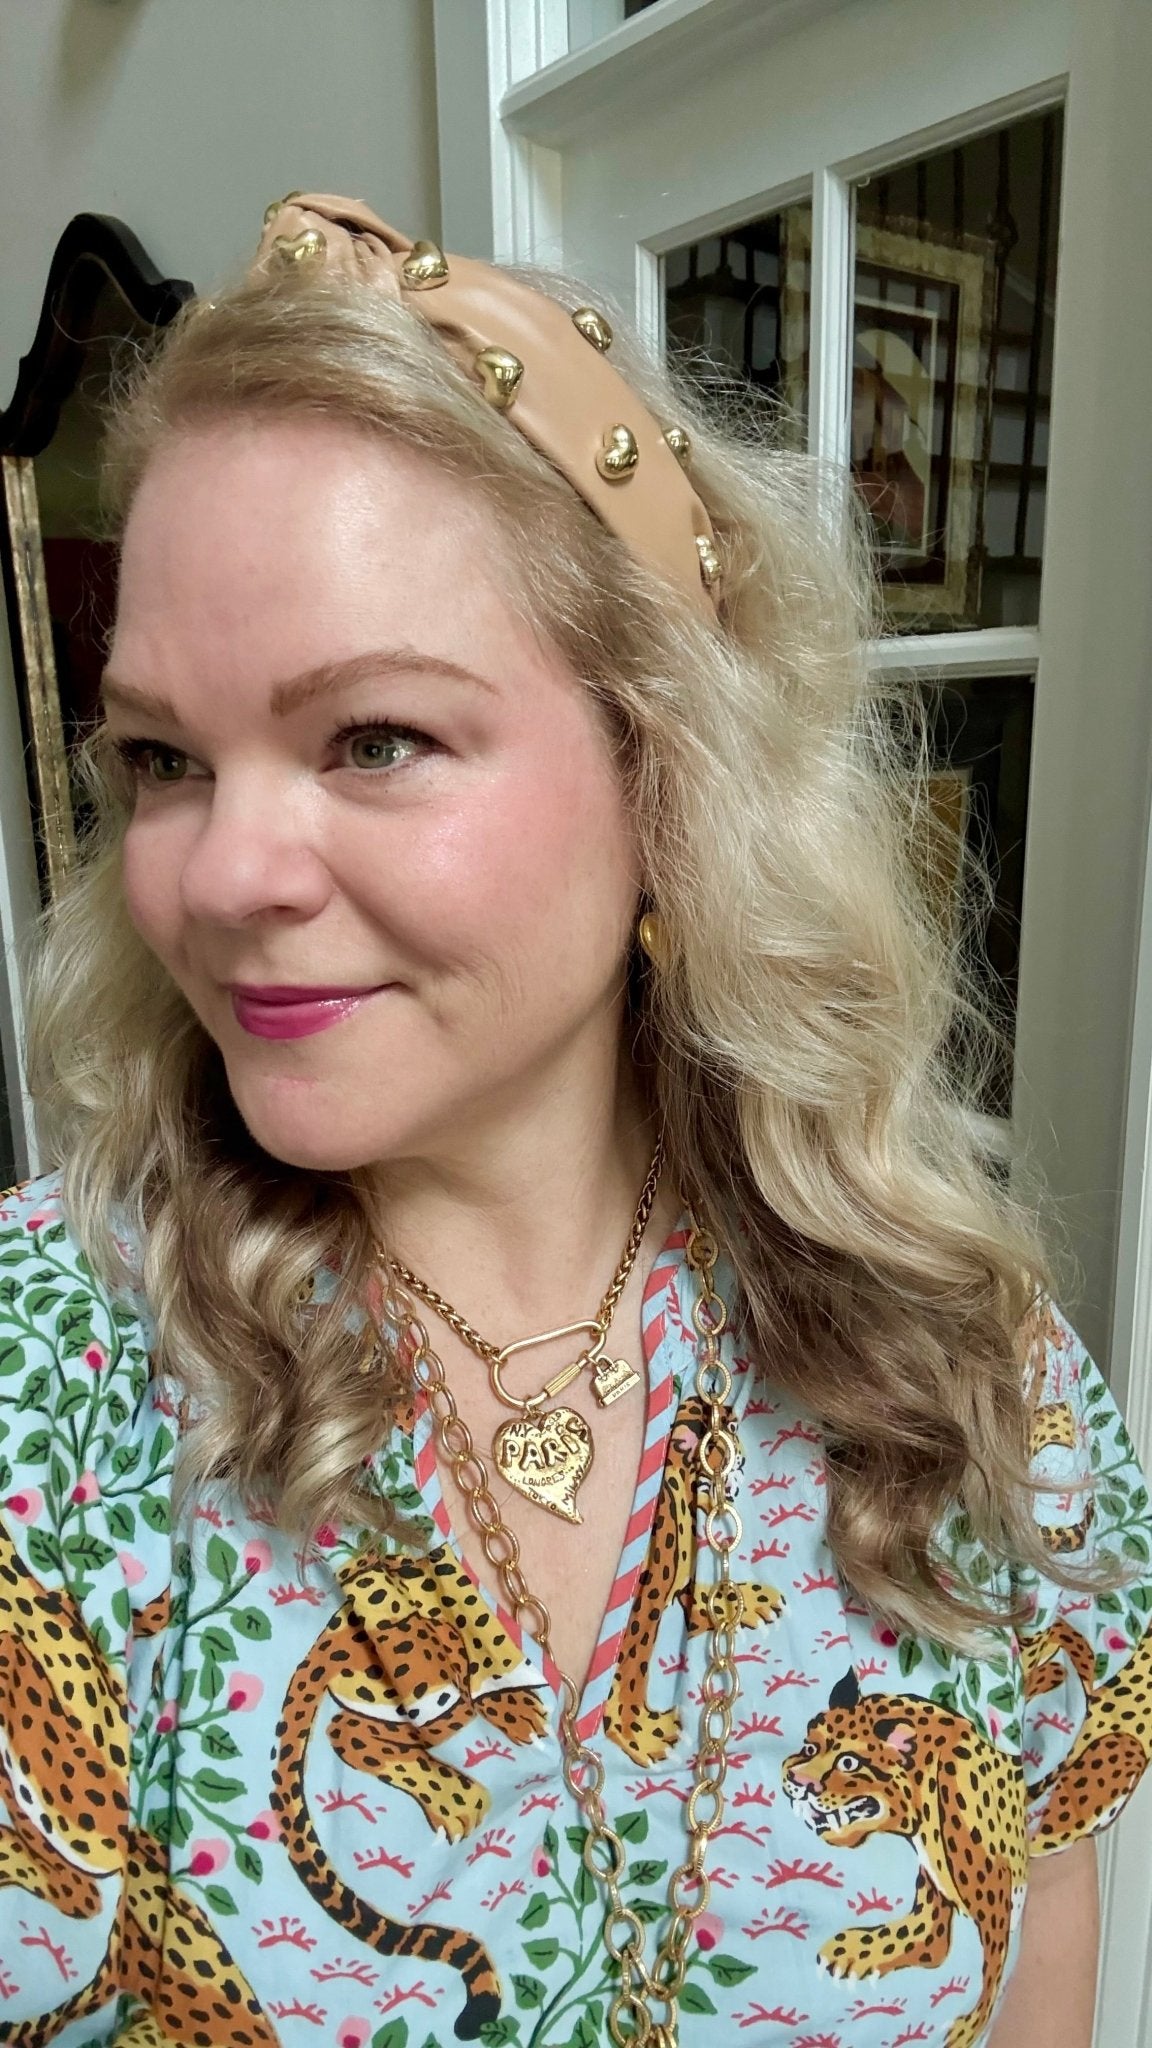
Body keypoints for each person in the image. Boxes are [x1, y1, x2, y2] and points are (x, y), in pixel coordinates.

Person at [1, 191, 1150, 2048]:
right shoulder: (47, 1390)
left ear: (666, 771)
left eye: (374, 739)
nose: (221, 873)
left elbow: (1040, 1938)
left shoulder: (962, 1368)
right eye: (165, 758)